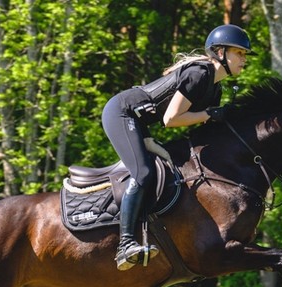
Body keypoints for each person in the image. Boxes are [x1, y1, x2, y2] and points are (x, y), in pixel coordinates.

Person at [102, 24, 253, 271]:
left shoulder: (215, 88)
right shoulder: (199, 74)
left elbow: (202, 129)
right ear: (220, 52)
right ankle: (125, 245)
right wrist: (211, 114)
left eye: (245, 55)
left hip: (141, 125)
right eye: (240, 53)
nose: (244, 60)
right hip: (122, 113)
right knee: (144, 173)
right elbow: (170, 119)